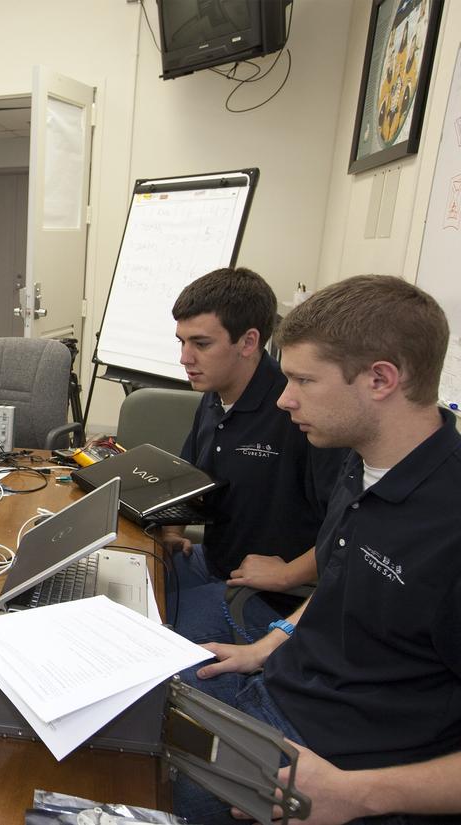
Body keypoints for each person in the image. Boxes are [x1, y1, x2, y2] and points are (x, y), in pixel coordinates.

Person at [174, 275, 461, 825]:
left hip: (349, 771)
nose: (284, 398)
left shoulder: (448, 520)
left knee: (137, 789)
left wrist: (358, 796)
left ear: (380, 379)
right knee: (120, 717)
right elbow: (344, 580)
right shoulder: (363, 462)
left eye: (304, 379)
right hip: (281, 690)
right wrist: (272, 642)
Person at [158, 268, 344, 641]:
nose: (185, 358)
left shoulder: (302, 413)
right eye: (181, 342)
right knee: (113, 590)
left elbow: (348, 530)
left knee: (150, 637)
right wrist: (172, 532)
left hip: (270, 598)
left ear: (248, 342)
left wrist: (291, 573)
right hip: (213, 565)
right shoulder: (215, 393)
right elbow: (191, 476)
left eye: (201, 344)